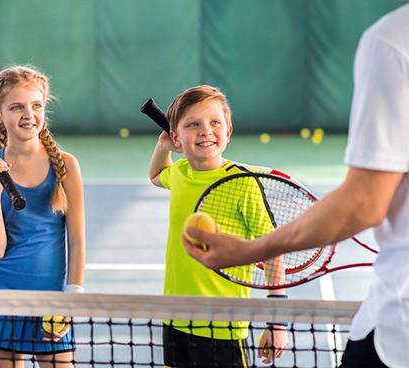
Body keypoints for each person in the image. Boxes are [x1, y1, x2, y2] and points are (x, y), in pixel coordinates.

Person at [184, 5, 409, 368]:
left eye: (213, 123)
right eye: (193, 125)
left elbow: (365, 203)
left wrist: (248, 251)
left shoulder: (393, 42)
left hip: (399, 336)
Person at [149, 85, 289, 367]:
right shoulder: (179, 172)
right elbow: (155, 175)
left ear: (229, 132)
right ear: (176, 137)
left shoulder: (243, 184)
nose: (205, 130)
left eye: (215, 122)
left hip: (223, 324)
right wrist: (162, 146)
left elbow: (272, 250)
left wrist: (278, 322)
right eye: (193, 124)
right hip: (175, 316)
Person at [0, 65, 86, 368]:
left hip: (52, 299)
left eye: (36, 105)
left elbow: (76, 240)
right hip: (2, 293)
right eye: (16, 107)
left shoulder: (67, 165)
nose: (28, 114)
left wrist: (70, 298)